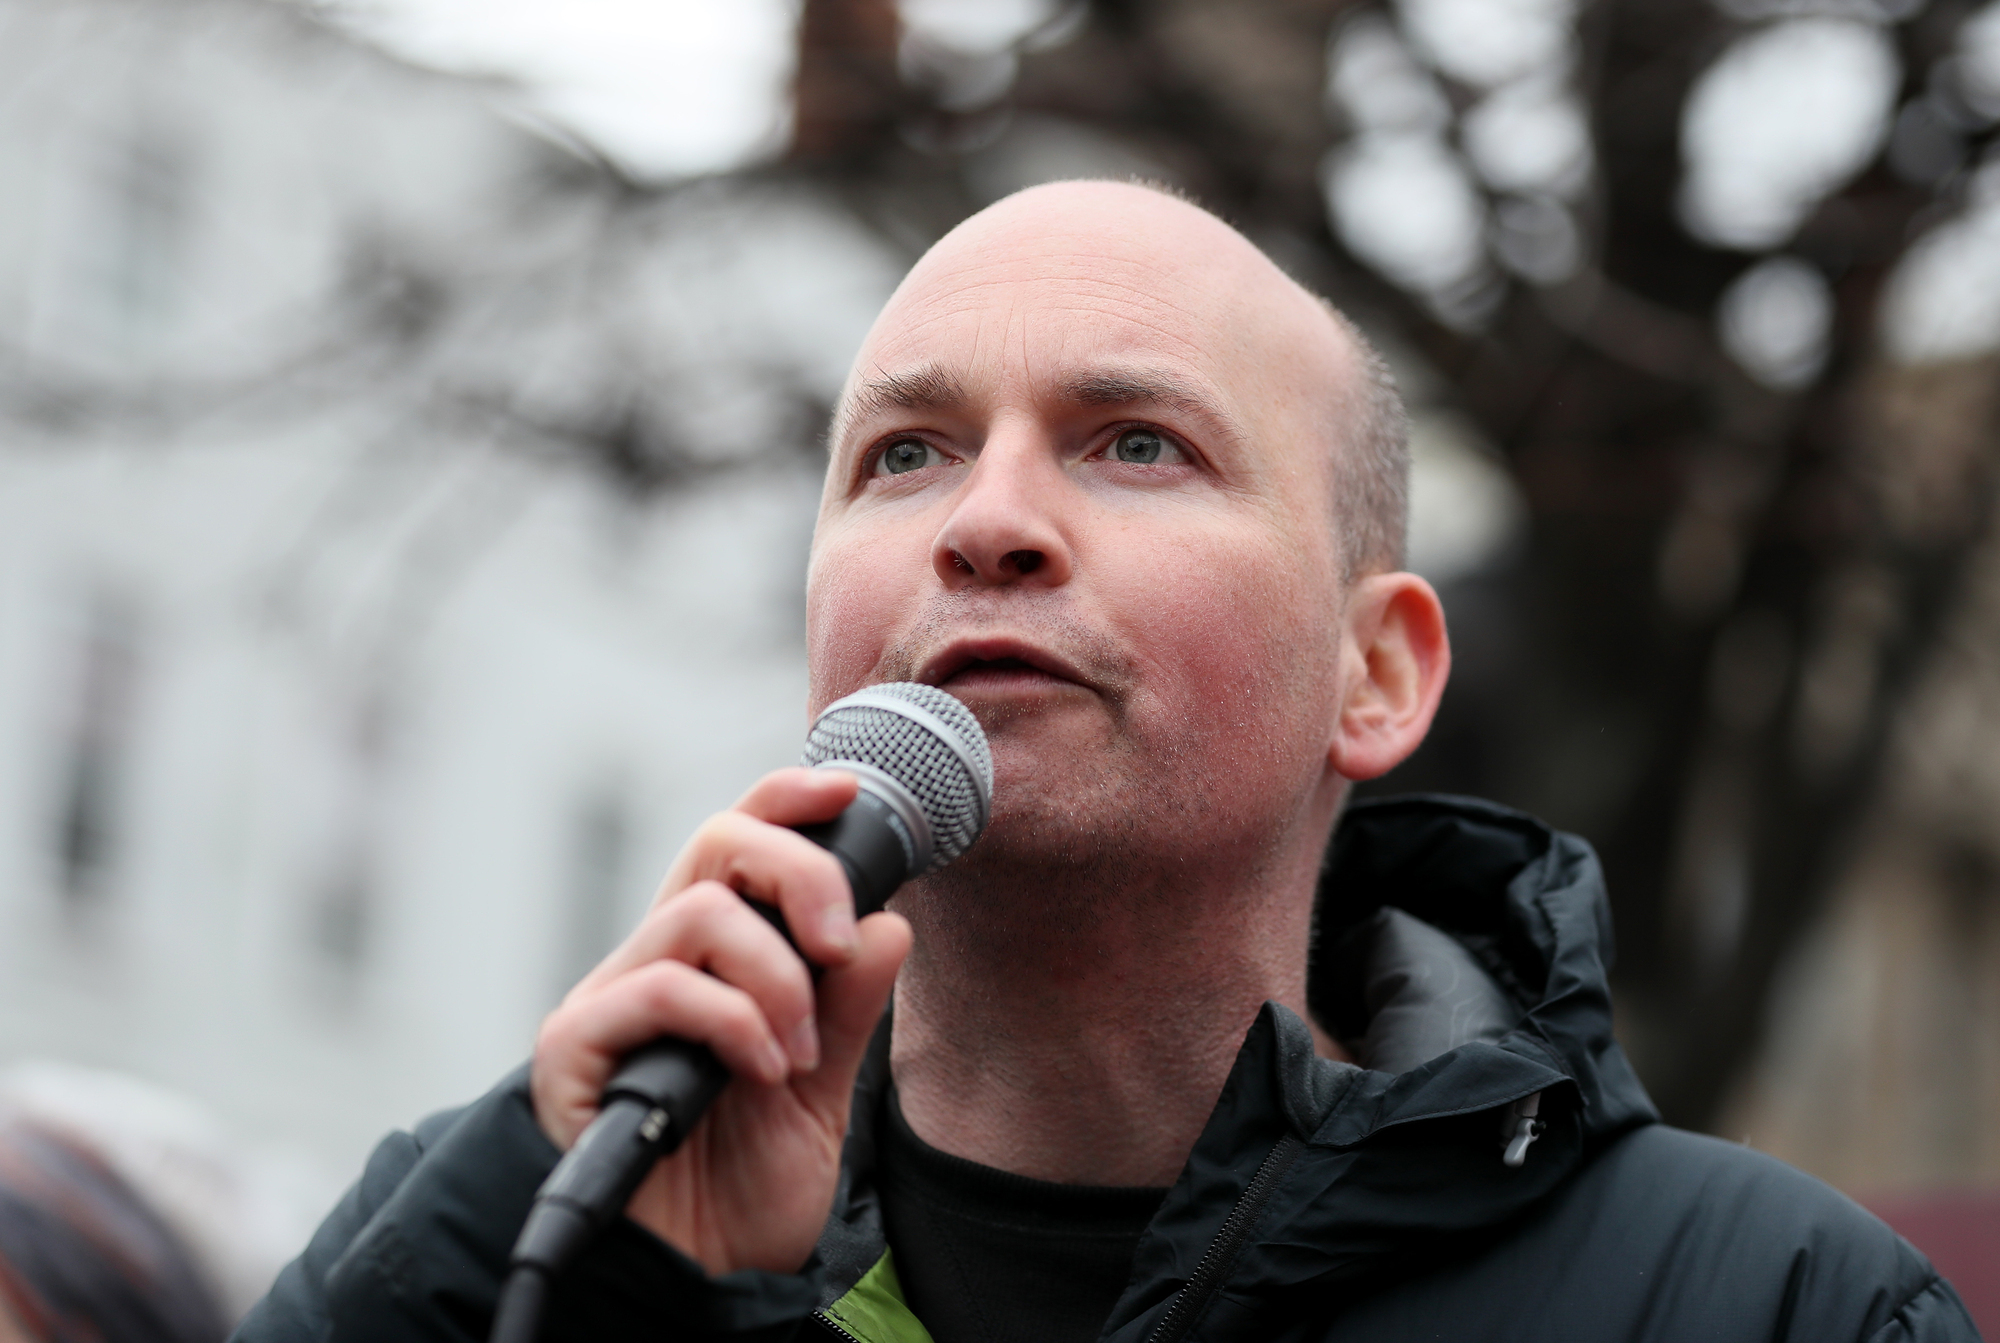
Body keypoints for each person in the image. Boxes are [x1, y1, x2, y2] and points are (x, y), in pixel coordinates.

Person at [233, 181, 1981, 1343]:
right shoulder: (486, 1240)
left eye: (1136, 445)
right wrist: (599, 1285)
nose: (985, 521)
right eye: (905, 454)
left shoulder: (1774, 1308)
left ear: (1374, 672)